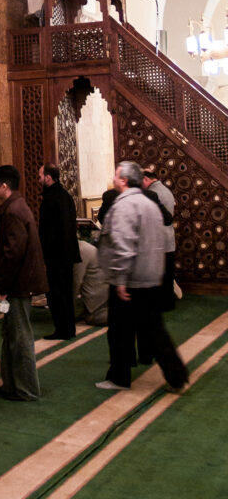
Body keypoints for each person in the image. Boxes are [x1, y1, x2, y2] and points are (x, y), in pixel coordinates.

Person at [95, 161, 188, 391]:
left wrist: (120, 279)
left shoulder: (125, 205)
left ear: (124, 180)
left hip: (131, 280)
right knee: (153, 329)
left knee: (119, 331)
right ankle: (177, 375)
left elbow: (124, 244)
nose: (114, 178)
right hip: (149, 276)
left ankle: (119, 377)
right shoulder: (149, 203)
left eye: (116, 175)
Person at [0, 164, 48, 401]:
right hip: (20, 282)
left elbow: (12, 253)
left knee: (20, 336)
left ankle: (26, 390)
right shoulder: (17, 205)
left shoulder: (13, 210)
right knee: (12, 334)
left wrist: (2, 286)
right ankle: (11, 384)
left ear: (4, 186)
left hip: (18, 284)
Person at [38, 164, 81, 339]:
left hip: (55, 256)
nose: (39, 178)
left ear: (48, 177)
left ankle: (62, 329)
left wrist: (44, 256)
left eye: (40, 175)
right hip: (67, 254)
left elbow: (49, 232)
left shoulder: (51, 199)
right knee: (66, 293)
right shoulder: (65, 196)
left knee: (57, 295)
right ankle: (68, 328)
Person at [142, 164, 177, 311]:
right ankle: (168, 303)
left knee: (162, 275)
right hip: (168, 238)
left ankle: (163, 305)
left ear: (145, 179)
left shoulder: (154, 193)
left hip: (160, 239)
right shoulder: (164, 189)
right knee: (167, 274)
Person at [74, 238, 108, 326]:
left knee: (92, 319)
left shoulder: (81, 251)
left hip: (98, 303)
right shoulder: (84, 246)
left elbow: (76, 282)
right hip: (102, 298)